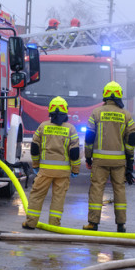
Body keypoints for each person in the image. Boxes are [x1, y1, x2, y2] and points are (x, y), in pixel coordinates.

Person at [83, 81, 135, 233]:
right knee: (119, 190)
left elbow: (89, 138)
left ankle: (93, 223)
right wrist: (130, 164)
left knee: (96, 190)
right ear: (119, 95)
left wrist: (88, 158)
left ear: (105, 95)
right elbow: (132, 138)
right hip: (119, 162)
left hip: (99, 161)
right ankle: (121, 225)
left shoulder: (96, 113)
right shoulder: (126, 115)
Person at [22, 96, 81, 229]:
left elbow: (35, 148)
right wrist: (75, 170)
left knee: (37, 195)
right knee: (58, 198)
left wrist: (36, 165)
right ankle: (54, 225)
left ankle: (31, 222)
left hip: (45, 171)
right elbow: (75, 152)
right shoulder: (71, 129)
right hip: (63, 172)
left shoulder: (43, 126)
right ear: (66, 112)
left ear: (50, 111)